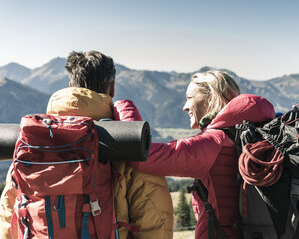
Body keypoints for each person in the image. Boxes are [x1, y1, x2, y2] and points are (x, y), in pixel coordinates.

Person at [0, 50, 173, 239]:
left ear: (71, 85)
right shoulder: (127, 145)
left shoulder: (33, 142)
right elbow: (156, 224)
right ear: (112, 88)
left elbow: (9, 217)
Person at [113, 70, 276, 239]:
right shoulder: (252, 134)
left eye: (189, 98)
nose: (185, 106)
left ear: (212, 97)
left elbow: (145, 156)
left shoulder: (214, 142)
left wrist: (123, 106)